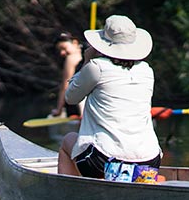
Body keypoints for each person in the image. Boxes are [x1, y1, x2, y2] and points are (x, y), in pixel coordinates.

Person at [57, 15, 162, 180]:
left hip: (103, 161)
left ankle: (68, 198)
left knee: (67, 141)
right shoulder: (147, 70)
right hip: (150, 161)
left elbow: (70, 97)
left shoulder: (96, 67)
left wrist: (87, 60)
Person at [50, 32, 83, 118]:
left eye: (64, 48)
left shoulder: (71, 58)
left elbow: (65, 85)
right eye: (60, 50)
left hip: (76, 108)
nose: (62, 53)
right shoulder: (90, 54)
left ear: (75, 43)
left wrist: (59, 110)